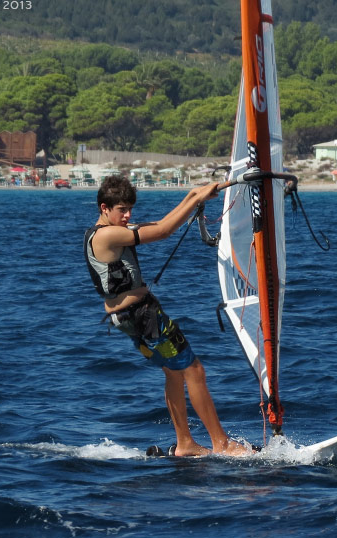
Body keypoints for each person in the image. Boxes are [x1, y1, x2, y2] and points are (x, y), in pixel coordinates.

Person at [85, 175, 251, 457]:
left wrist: (192, 196)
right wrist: (196, 199)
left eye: (130, 210)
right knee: (194, 370)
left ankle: (185, 444)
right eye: (122, 210)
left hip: (132, 319)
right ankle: (221, 443)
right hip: (143, 317)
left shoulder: (109, 230)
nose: (128, 216)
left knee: (174, 373)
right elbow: (162, 231)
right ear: (104, 208)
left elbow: (157, 223)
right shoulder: (107, 235)